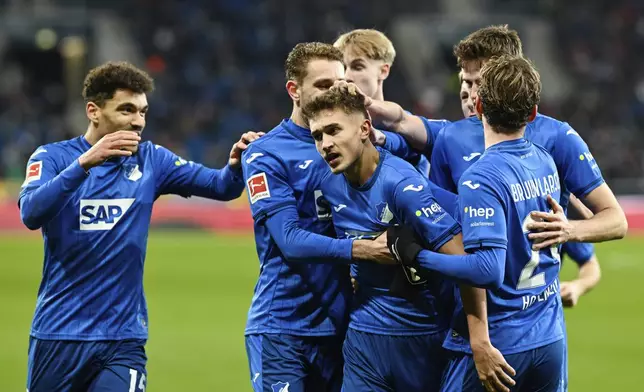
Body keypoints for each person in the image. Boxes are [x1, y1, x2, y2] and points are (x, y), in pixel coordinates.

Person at [19, 61, 261, 391]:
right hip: (60, 333)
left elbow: (221, 187)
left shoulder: (151, 160)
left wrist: (234, 165)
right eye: (127, 109)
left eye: (143, 111)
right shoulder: (52, 157)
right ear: (94, 111)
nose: (138, 121)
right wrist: (86, 162)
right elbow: (31, 213)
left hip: (124, 339)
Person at [304, 87, 512, 392]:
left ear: (364, 129)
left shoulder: (400, 184)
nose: (326, 144)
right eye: (318, 136)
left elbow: (467, 264)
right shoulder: (328, 185)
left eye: (334, 130)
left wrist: (479, 342)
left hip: (420, 340)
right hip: (364, 340)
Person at [391, 55, 565, 391]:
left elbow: (486, 269)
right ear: (531, 113)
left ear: (479, 105)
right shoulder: (544, 160)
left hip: (503, 343)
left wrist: (414, 255)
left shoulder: (480, 179)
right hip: (547, 336)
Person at [240, 42, 393, 392]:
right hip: (284, 327)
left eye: (340, 83)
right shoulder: (266, 154)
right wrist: (363, 251)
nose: (336, 92)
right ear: (294, 90)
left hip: (345, 325)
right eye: (324, 85)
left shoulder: (355, 144)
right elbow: (290, 241)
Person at [333, 29, 450, 174]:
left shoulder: (409, 128)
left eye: (357, 67)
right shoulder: (327, 131)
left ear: (383, 71)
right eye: (342, 68)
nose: (346, 76)